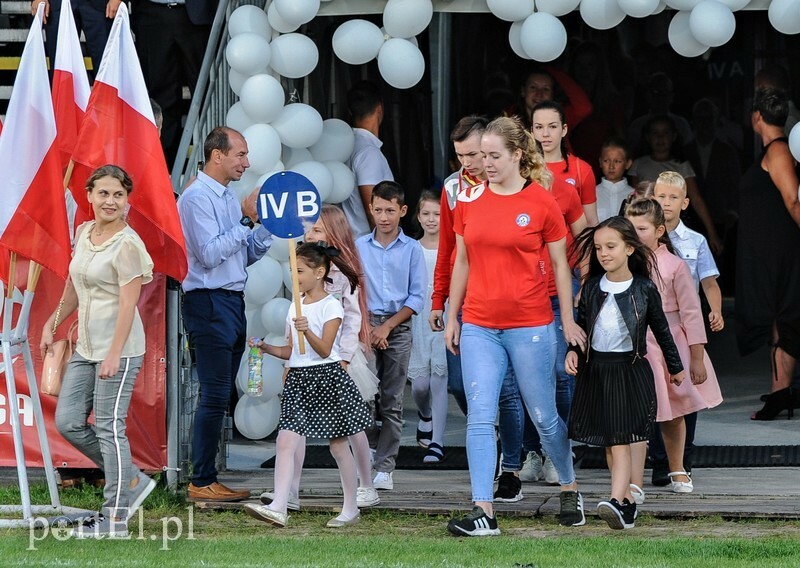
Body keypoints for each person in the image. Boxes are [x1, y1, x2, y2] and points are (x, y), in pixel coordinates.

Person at [444, 116, 587, 537]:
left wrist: (567, 318)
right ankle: (483, 509)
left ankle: (569, 485)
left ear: (517, 155)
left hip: (530, 324)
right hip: (480, 325)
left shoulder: (541, 201)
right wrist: (452, 315)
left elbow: (562, 264)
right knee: (480, 415)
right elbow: (462, 261)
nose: (484, 163)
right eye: (481, 155)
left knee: (543, 416)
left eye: (493, 155)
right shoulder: (468, 200)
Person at [40, 165, 157, 538]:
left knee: (109, 428)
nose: (110, 201)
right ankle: (133, 480)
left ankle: (115, 518)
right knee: (69, 422)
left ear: (127, 200)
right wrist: (53, 322)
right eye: (103, 193)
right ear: (89, 196)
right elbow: (75, 285)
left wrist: (114, 354)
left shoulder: (128, 244)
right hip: (86, 348)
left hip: (118, 351)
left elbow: (129, 306)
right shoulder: (84, 232)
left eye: (118, 195)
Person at [429, 116, 528, 500]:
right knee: (459, 384)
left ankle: (511, 468)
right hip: (464, 300)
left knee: (507, 391)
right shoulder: (454, 188)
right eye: (460, 156)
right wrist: (440, 300)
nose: (468, 163)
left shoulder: (508, 181)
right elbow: (448, 250)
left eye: (474, 154)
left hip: (503, 299)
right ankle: (488, 441)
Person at [259, 205, 380, 511]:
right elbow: (295, 328)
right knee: (295, 429)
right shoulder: (304, 274)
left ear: (333, 233)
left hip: (339, 357)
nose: (309, 234)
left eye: (316, 230)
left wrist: (345, 357)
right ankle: (290, 491)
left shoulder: (341, 274)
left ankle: (366, 484)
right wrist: (288, 361)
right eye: (309, 229)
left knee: (349, 428)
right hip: (306, 361)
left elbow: (352, 319)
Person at [567, 216, 684, 530]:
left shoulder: (644, 288)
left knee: (620, 439)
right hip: (598, 373)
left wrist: (676, 367)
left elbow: (661, 330)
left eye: (611, 246)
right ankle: (627, 508)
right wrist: (573, 352)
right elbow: (582, 329)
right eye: (598, 248)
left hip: (628, 372)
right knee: (610, 441)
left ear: (630, 248)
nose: (604, 253)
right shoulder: (592, 288)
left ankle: (617, 498)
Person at [178, 126, 271, 502]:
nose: (246, 163)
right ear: (217, 155)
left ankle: (207, 476)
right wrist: (246, 221)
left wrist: (262, 228)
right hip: (208, 301)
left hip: (231, 300)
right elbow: (209, 253)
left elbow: (241, 255)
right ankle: (201, 480)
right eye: (241, 155)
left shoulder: (230, 198)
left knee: (221, 394)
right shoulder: (196, 197)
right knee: (214, 394)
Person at [625, 198, 722, 498]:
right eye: (629, 227)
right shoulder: (624, 263)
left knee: (675, 408)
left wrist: (696, 357)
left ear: (659, 231)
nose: (634, 233)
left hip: (670, 343)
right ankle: (633, 478)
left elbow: (692, 312)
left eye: (641, 228)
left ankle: (677, 466)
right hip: (636, 344)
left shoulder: (675, 265)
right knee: (637, 412)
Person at [650, 171, 724, 484]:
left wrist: (716, 310)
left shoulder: (695, 241)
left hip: (684, 325)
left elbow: (708, 281)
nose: (666, 202)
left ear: (685, 202)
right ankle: (659, 463)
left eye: (672, 197)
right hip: (654, 326)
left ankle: (684, 462)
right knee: (657, 393)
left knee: (686, 393)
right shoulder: (643, 240)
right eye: (661, 196)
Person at [518, 165, 588, 485]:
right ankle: (533, 451)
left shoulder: (565, 190)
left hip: (559, 294)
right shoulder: (511, 191)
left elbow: (583, 239)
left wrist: (585, 283)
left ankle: (558, 449)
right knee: (529, 377)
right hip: (524, 297)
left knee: (561, 374)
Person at [356, 181, 427, 491]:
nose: (383, 217)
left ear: (402, 211)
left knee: (392, 400)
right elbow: (354, 289)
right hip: (365, 324)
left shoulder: (412, 249)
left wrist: (387, 328)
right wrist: (369, 328)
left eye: (390, 211)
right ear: (370, 210)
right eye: (378, 210)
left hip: (397, 328)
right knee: (364, 395)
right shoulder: (359, 246)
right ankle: (369, 450)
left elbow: (416, 298)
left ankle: (386, 465)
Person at [737, 88, 800, 420]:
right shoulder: (775, 150)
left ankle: (781, 395)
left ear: (757, 117)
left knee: (786, 318)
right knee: (780, 318)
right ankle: (781, 391)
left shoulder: (778, 152)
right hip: (773, 252)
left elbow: (792, 200)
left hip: (783, 252)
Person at [131, 0, 216, 165]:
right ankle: (166, 162)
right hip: (151, 14)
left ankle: (213, 155)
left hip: (195, 16)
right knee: (161, 93)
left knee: (204, 90)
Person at [628, 115, 723, 253]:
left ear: (673, 137)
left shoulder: (682, 166)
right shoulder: (638, 164)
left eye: (665, 133)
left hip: (675, 228)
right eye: (655, 133)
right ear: (647, 137)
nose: (660, 138)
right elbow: (634, 199)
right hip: (646, 228)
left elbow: (696, 200)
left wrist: (712, 234)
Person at [408, 191, 448, 463]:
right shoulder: (411, 247)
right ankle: (425, 414)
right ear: (418, 217)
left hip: (444, 313)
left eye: (437, 214)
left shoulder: (452, 246)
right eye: (426, 214)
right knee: (420, 384)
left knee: (439, 377)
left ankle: (438, 442)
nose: (432, 219)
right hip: (418, 316)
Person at [531, 100, 599, 226]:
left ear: (564, 129)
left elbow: (591, 222)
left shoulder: (582, 169)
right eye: (539, 127)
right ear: (532, 131)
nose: (545, 134)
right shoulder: (522, 169)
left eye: (552, 126)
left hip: (571, 245)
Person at [343, 81, 395, 239]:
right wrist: (387, 245)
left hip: (352, 243)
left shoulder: (347, 145)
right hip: (368, 246)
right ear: (380, 109)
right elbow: (373, 209)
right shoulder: (368, 153)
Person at [33, 0, 116, 81]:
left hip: (101, 6)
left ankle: (108, 95)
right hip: (57, 5)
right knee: (60, 68)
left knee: (107, 65)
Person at [505, 67, 593, 132]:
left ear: (552, 95)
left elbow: (584, 108)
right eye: (533, 87)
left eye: (546, 89)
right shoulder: (508, 119)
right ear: (523, 91)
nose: (539, 94)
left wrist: (552, 68)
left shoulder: (560, 117)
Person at [626, 72, 693, 157]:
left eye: (665, 92)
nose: (661, 97)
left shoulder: (682, 125)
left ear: (671, 96)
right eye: (656, 92)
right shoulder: (637, 126)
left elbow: (690, 155)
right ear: (648, 95)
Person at [596, 137, 635, 223]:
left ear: (628, 164)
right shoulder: (592, 195)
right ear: (600, 162)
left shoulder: (634, 195)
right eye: (606, 161)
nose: (611, 167)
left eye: (617, 161)